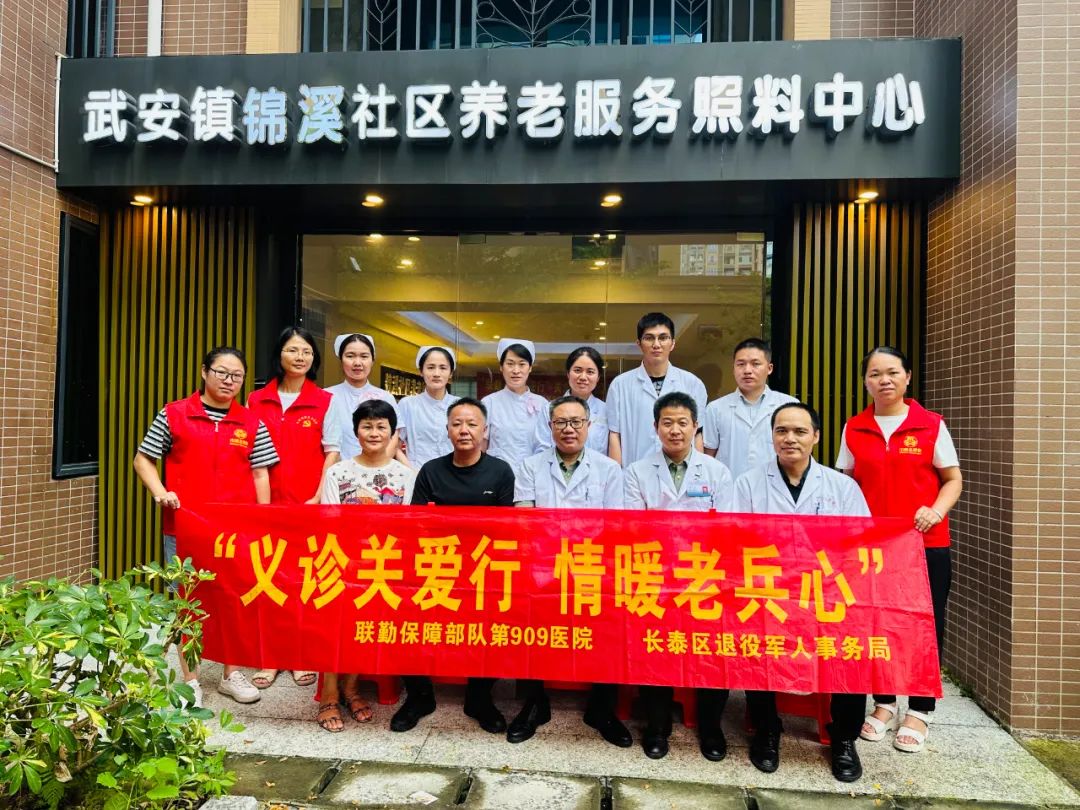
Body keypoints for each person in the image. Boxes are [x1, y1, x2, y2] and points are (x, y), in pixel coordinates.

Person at [132, 346, 279, 707]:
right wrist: (161, 492)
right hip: (185, 527)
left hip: (235, 531)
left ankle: (231, 675)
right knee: (189, 602)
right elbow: (143, 460)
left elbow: (260, 473)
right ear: (204, 372)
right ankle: (191, 681)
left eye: (237, 376)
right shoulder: (174, 414)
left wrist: (263, 520)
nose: (229, 381)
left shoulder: (251, 422)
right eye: (222, 373)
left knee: (233, 601)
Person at [733, 402, 870, 783]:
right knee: (754, 637)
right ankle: (767, 729)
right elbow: (733, 539)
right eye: (781, 431)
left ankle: (843, 737)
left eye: (799, 431)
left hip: (826, 594)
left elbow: (861, 544)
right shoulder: (748, 484)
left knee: (851, 646)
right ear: (772, 437)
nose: (789, 438)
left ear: (816, 437)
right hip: (769, 592)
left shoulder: (842, 487)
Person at [837, 347, 962, 754]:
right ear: (866, 382)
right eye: (875, 373)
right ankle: (885, 703)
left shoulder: (930, 425)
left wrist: (936, 510)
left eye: (892, 372)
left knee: (923, 625)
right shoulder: (854, 428)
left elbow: (953, 479)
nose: (884, 380)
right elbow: (845, 484)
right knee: (877, 623)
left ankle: (921, 709)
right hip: (874, 549)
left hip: (925, 544)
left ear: (907, 377)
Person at [390, 398, 516, 734]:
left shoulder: (501, 471)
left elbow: (506, 530)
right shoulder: (431, 470)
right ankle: (420, 696)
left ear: (484, 430)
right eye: (457, 423)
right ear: (447, 430)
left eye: (472, 424)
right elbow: (417, 525)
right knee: (402, 612)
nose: (464, 430)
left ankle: (479, 697)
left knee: (498, 618)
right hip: (439, 565)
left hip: (483, 568)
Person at [512, 395, 628, 747]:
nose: (569, 429)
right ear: (550, 427)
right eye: (561, 422)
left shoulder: (609, 469)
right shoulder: (530, 466)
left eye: (576, 422)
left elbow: (613, 527)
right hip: (543, 565)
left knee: (610, 627)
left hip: (592, 566)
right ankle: (534, 704)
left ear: (589, 426)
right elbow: (526, 523)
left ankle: (602, 709)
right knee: (529, 624)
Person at [623, 392, 734, 761]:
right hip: (655, 575)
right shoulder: (637, 471)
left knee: (711, 651)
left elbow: (725, 529)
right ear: (655, 427)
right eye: (667, 423)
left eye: (682, 423)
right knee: (655, 648)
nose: (675, 430)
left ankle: (711, 726)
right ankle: (657, 726)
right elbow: (634, 528)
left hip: (704, 576)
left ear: (695, 426)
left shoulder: (717, 472)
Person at [315, 399, 417, 732]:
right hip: (342, 562)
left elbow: (407, 526)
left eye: (381, 427)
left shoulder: (406, 476)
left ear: (392, 433)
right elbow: (328, 521)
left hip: (383, 565)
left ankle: (351, 688)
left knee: (364, 629)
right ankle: (329, 695)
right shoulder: (338, 472)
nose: (374, 433)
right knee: (334, 629)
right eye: (367, 426)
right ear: (356, 432)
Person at [246, 326, 339, 690]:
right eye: (293, 350)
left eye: (306, 352)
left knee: (304, 581)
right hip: (266, 506)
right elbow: (249, 454)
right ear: (279, 354)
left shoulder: (325, 400)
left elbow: (332, 452)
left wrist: (317, 496)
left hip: (307, 506)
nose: (300, 357)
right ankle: (270, 657)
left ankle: (300, 654)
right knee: (268, 579)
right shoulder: (256, 400)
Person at [606, 312, 708, 468]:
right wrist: (616, 476)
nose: (656, 344)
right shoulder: (620, 385)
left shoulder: (692, 384)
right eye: (649, 338)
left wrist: (697, 472)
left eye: (663, 338)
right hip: (634, 473)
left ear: (672, 343)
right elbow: (614, 435)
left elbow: (697, 433)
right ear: (639, 344)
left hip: (681, 472)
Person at [703, 338, 797, 479]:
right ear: (733, 369)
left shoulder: (789, 405)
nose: (747, 370)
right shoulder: (715, 409)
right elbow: (708, 457)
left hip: (776, 487)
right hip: (730, 487)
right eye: (741, 364)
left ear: (769, 368)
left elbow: (799, 452)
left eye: (755, 364)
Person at [325, 333, 399, 461]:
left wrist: (376, 466)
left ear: (372, 360)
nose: (357, 363)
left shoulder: (385, 397)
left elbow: (394, 437)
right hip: (338, 470)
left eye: (364, 356)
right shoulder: (327, 396)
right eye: (350, 356)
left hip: (377, 469)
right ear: (341, 359)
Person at [481, 338, 548, 477]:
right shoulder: (489, 403)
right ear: (501, 367)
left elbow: (547, 446)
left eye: (522, 364)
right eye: (510, 364)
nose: (516, 370)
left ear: (530, 368)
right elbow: (481, 446)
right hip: (496, 477)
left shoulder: (543, 404)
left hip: (533, 477)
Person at [536, 346, 609, 455]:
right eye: (577, 370)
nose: (583, 377)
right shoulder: (549, 409)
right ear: (568, 374)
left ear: (598, 377)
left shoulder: (606, 411)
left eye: (590, 372)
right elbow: (542, 449)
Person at [397, 346, 461, 469]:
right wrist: (412, 472)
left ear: (451, 373)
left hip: (454, 473)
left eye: (443, 368)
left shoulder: (460, 404)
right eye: (431, 367)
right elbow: (396, 447)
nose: (436, 373)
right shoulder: (407, 404)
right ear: (421, 371)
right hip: (417, 473)